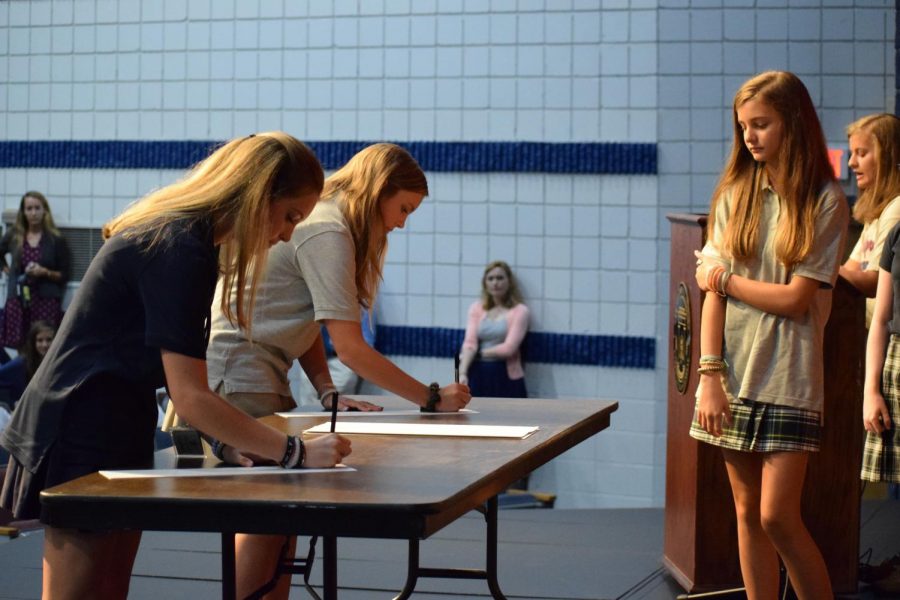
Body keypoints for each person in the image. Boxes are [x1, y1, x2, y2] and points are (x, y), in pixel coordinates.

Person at [0, 132, 351, 599]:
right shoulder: (178, 243)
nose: (288, 234)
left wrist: (226, 441)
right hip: (77, 424)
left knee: (109, 590)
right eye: (288, 216)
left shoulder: (195, 243)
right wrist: (295, 453)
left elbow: (179, 375)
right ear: (256, 194)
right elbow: (191, 395)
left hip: (119, 419)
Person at [198, 142, 472, 599]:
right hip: (237, 376)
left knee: (282, 526)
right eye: (403, 208)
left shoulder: (330, 221)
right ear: (378, 190)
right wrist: (429, 398)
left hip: (260, 373)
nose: (402, 222)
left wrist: (326, 390)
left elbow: (305, 316)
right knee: (266, 524)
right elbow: (351, 349)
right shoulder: (328, 228)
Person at [691, 71, 848, 599]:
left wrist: (728, 280)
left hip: (789, 375)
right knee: (745, 512)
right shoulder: (736, 193)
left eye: (761, 124)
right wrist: (709, 376)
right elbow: (710, 293)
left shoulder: (825, 201)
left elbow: (796, 299)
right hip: (731, 374)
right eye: (743, 127)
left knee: (778, 516)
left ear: (794, 122)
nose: (750, 137)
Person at [839, 114, 900, 326]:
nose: (851, 162)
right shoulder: (876, 213)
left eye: (861, 153)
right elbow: (851, 270)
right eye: (852, 153)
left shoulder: (896, 209)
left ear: (887, 157)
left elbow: (874, 280)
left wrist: (815, 270)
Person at [0, 191, 70, 349]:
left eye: (37, 208)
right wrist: (5, 268)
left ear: (44, 210)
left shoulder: (55, 239)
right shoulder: (15, 236)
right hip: (19, 300)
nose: (33, 213)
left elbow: (64, 274)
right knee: (21, 346)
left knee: (45, 345)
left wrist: (44, 272)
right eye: (29, 208)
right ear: (23, 212)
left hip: (45, 300)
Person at [458, 260, 529, 398]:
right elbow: (469, 343)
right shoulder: (477, 308)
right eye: (490, 278)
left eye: (500, 278)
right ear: (485, 283)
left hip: (506, 375)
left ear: (509, 282)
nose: (495, 283)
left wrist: (479, 353)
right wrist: (463, 372)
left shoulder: (520, 311)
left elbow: (509, 348)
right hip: (477, 373)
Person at [0, 320, 55, 414]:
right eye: (40, 340)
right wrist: (11, 402)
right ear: (33, 342)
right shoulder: (22, 363)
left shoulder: (59, 361)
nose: (45, 345)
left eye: (49, 340)